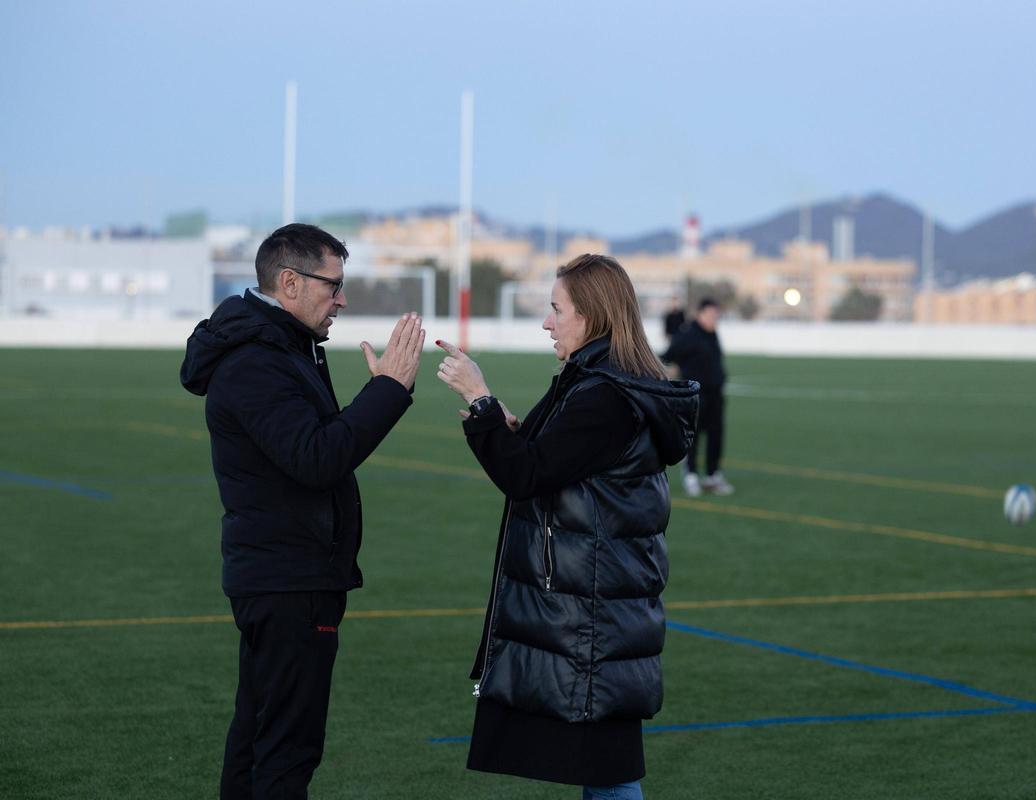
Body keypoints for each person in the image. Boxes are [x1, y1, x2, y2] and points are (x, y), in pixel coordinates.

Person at [434, 253, 698, 799]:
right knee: (603, 769)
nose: (547, 322)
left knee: (608, 771)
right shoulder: (599, 380)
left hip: (593, 611)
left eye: (557, 310)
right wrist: (505, 424)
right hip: (596, 604)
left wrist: (479, 398)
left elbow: (526, 474)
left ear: (593, 316)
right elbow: (549, 459)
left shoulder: (605, 393)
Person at [180, 223, 425, 799]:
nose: (341, 299)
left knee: (260, 738)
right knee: (285, 751)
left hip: (283, 575)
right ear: (289, 283)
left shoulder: (279, 348)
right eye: (332, 285)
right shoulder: (258, 363)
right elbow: (316, 459)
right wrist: (388, 390)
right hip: (288, 580)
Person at [662, 297, 732, 497]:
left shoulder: (713, 334)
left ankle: (712, 476)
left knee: (716, 436)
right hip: (696, 397)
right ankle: (691, 476)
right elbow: (666, 357)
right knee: (693, 437)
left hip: (716, 394)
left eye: (716, 316)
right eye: (710, 315)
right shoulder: (688, 335)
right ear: (700, 314)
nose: (714, 319)